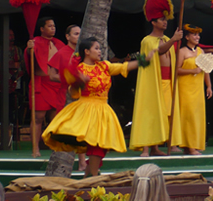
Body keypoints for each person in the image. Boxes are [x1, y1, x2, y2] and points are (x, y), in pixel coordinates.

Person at [42, 37, 155, 177]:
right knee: (96, 145)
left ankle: (87, 180)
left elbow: (123, 67)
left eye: (100, 48)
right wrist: (80, 82)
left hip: (103, 110)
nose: (100, 51)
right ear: (87, 51)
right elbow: (72, 92)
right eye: (96, 48)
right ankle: (94, 178)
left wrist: (144, 61)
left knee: (101, 146)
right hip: (86, 110)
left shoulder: (104, 66)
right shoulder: (79, 70)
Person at [129, 0, 183, 157]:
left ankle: (159, 146)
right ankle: (146, 148)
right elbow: (160, 51)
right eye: (161, 19)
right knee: (151, 113)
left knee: (167, 113)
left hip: (168, 82)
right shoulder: (147, 41)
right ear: (153, 22)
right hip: (154, 83)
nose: (165, 22)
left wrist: (172, 39)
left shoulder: (167, 38)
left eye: (165, 19)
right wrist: (174, 39)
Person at [176, 24, 213, 155]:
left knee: (197, 117)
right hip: (185, 88)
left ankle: (193, 145)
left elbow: (205, 69)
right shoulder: (182, 52)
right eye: (194, 34)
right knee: (188, 117)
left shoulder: (200, 51)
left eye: (198, 35)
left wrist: (209, 86)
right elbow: (176, 70)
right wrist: (192, 70)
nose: (197, 37)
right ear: (187, 37)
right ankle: (189, 146)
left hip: (198, 88)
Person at [47, 24, 86, 171]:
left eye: (80, 34)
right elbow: (51, 75)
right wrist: (69, 79)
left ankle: (82, 162)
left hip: (83, 95)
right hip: (65, 95)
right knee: (65, 128)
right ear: (67, 37)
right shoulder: (62, 53)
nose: (78, 36)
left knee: (81, 128)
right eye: (75, 34)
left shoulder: (85, 53)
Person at [25, 17, 65, 157]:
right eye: (49, 26)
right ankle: (35, 149)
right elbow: (31, 56)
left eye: (54, 26)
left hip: (56, 84)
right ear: (42, 29)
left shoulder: (59, 43)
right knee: (38, 117)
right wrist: (30, 49)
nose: (53, 28)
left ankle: (55, 147)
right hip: (41, 83)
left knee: (56, 117)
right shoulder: (35, 42)